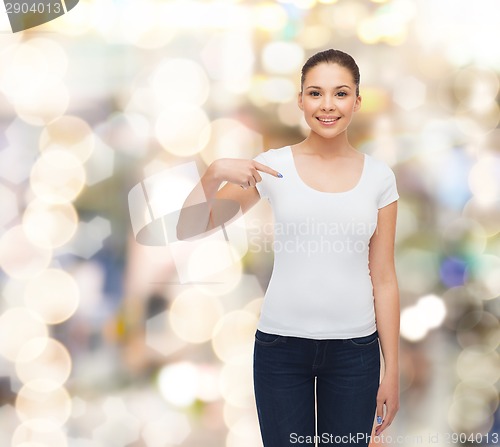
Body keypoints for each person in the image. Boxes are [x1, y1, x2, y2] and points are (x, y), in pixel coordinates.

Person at [177, 48, 400, 447]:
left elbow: (383, 278)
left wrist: (393, 371)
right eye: (315, 93)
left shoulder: (379, 179)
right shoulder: (272, 168)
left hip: (355, 353)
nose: (327, 105)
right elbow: (191, 228)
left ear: (357, 101)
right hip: (281, 351)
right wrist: (211, 175)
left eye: (341, 93)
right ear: (300, 100)